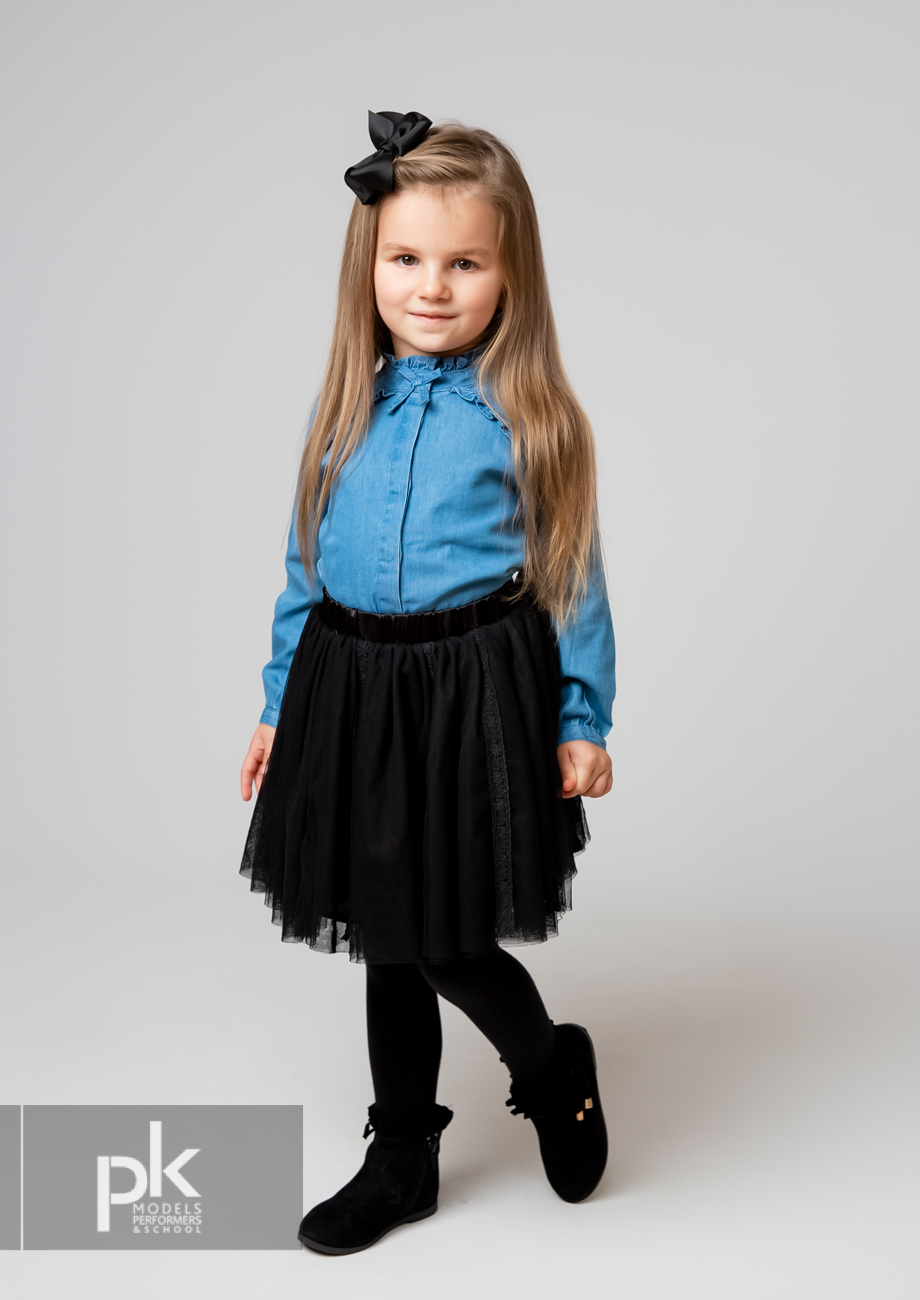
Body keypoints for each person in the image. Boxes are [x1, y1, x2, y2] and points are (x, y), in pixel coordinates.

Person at [238, 112, 617, 1255]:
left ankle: (550, 1069)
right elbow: (304, 568)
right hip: (349, 689)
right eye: (405, 258)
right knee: (383, 931)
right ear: (369, 264)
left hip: (468, 697)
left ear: (510, 273)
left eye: (464, 263)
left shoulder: (531, 419)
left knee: (443, 936)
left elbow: (572, 580)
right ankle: (400, 1151)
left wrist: (580, 718)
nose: (432, 288)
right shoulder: (341, 407)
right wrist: (275, 704)